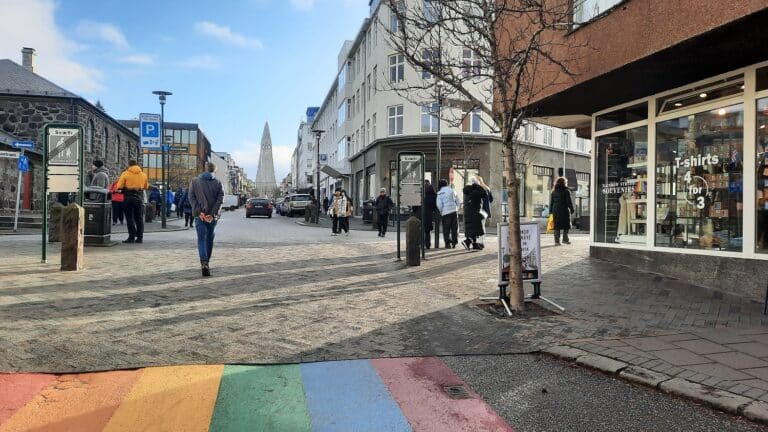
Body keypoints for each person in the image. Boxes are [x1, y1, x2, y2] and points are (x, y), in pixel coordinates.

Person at [188, 162, 224, 277]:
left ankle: (204, 263)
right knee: (209, 238)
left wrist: (200, 212)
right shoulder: (218, 183)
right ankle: (207, 261)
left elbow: (191, 197)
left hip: (200, 216)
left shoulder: (195, 181)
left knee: (201, 239)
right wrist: (212, 214)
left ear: (205, 169)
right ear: (214, 170)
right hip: (212, 217)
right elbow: (220, 199)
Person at [116, 160, 149, 244]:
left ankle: (131, 236)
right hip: (139, 197)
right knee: (139, 218)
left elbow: (119, 186)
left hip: (128, 197)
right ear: (136, 165)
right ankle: (140, 237)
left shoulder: (125, 173)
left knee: (129, 218)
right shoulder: (143, 174)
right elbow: (146, 186)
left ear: (129, 165)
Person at [462, 176, 488, 250]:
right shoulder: (475, 191)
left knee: (472, 229)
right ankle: (467, 241)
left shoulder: (468, 190)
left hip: (469, 212)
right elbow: (484, 194)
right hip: (474, 212)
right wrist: (479, 186)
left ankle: (474, 244)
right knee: (477, 229)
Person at [550, 176, 575, 246]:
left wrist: (550, 212)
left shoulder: (553, 191)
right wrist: (572, 209)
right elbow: (569, 202)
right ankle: (565, 239)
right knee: (566, 225)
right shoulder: (566, 191)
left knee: (557, 226)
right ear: (564, 183)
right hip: (564, 210)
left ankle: (557, 241)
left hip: (555, 210)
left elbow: (551, 202)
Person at [436, 179, 460, 249]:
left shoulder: (440, 193)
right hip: (454, 212)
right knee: (454, 228)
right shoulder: (452, 190)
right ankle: (454, 242)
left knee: (446, 229)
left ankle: (447, 243)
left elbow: (439, 204)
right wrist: (456, 208)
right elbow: (458, 201)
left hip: (445, 213)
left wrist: (442, 212)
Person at [475, 175, 494, 248]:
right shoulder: (487, 188)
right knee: (482, 226)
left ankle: (480, 242)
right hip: (486, 211)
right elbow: (491, 199)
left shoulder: (478, 189)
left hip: (480, 210)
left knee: (479, 226)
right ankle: (482, 241)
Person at [423, 180, 437, 248]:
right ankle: (428, 244)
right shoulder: (434, 196)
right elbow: (435, 206)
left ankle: (421, 244)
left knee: (421, 230)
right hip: (429, 215)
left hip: (421, 214)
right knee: (427, 231)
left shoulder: (422, 195)